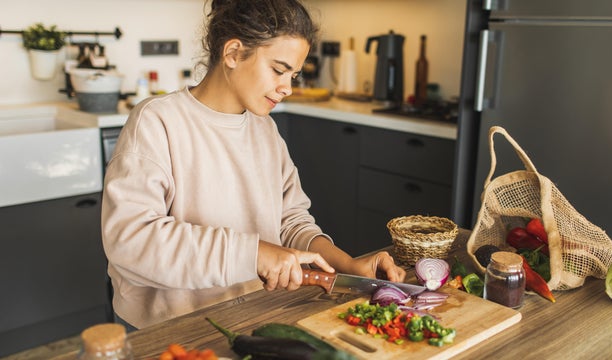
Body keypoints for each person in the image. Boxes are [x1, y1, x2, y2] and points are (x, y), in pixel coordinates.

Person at [101, 0, 406, 330]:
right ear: (233, 53)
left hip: (251, 316)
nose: (287, 87)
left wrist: (347, 266)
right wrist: (255, 254)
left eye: (293, 74)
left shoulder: (266, 130)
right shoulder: (157, 122)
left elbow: (290, 222)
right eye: (278, 69)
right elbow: (130, 240)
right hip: (169, 329)